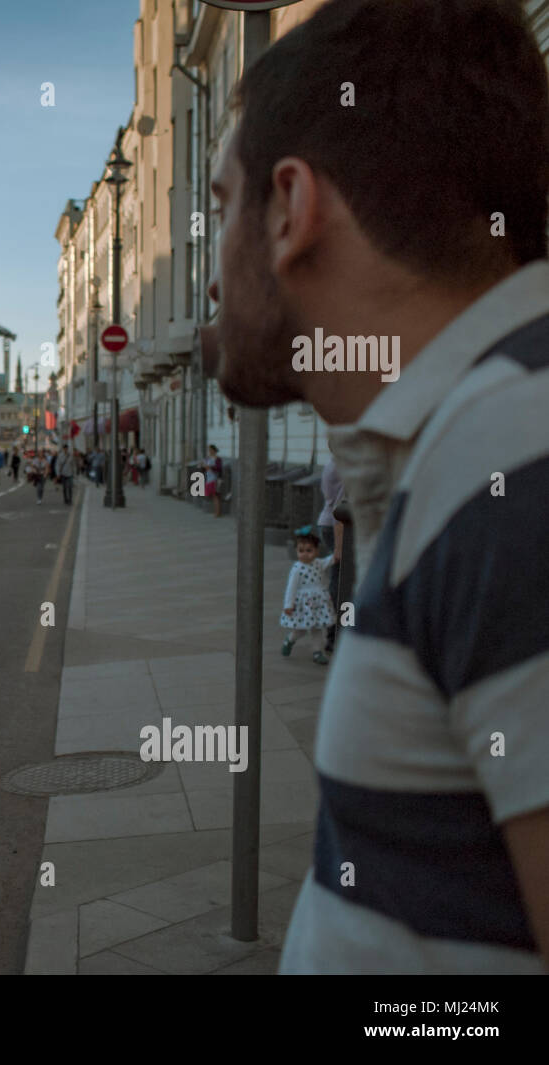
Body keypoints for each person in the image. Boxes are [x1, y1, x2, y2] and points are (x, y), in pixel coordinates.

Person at [207, 0, 549, 975]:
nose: (215, 272)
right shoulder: (453, 451)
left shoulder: (515, 466)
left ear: (288, 208)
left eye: (220, 202)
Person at [279, 527, 336, 665]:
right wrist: (288, 604)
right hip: (303, 605)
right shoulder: (297, 569)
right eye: (301, 551)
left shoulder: (318, 563)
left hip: (318, 603)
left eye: (309, 550)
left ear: (316, 551)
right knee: (301, 630)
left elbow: (331, 560)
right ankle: (290, 640)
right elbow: (291, 588)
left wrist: (338, 552)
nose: (304, 554)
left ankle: (317, 652)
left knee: (317, 628)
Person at [317, 457, 345, 655]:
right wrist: (339, 547)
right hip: (338, 528)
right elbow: (341, 509)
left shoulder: (331, 464)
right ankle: (334, 635)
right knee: (342, 582)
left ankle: (335, 634)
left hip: (327, 523)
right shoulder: (345, 466)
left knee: (340, 580)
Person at [201, 444, 223, 517]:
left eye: (210, 450)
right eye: (209, 450)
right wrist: (203, 466)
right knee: (211, 495)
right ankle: (216, 511)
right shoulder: (208, 458)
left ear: (214, 450)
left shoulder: (217, 459)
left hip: (215, 478)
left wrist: (210, 467)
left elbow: (219, 469)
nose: (209, 451)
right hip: (208, 478)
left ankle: (217, 512)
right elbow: (204, 467)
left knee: (215, 496)